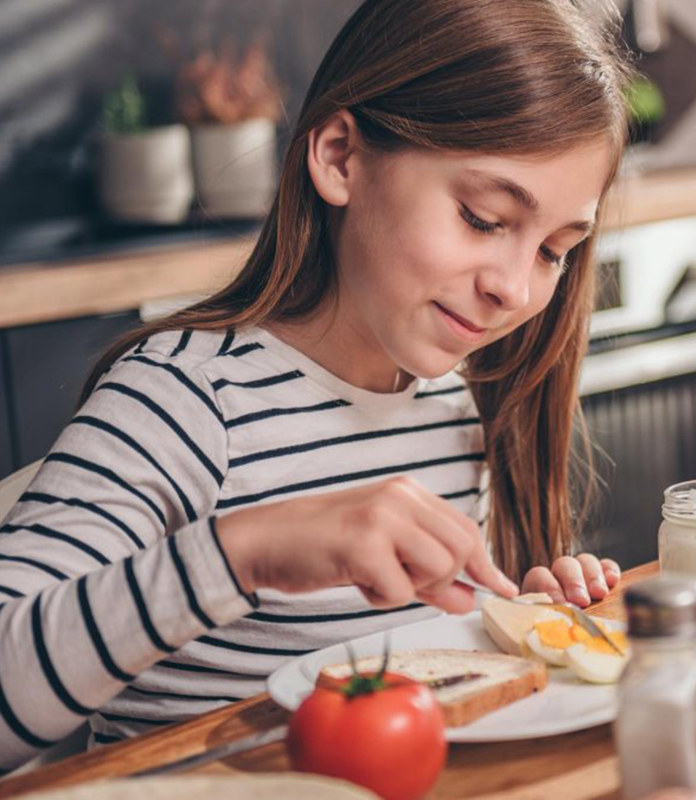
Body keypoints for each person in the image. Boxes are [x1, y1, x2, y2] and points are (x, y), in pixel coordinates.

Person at [0, 0, 631, 769]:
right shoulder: (185, 402)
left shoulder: (448, 405)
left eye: (554, 250)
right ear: (339, 157)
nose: (518, 291)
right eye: (482, 217)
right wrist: (246, 552)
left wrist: (519, 618)